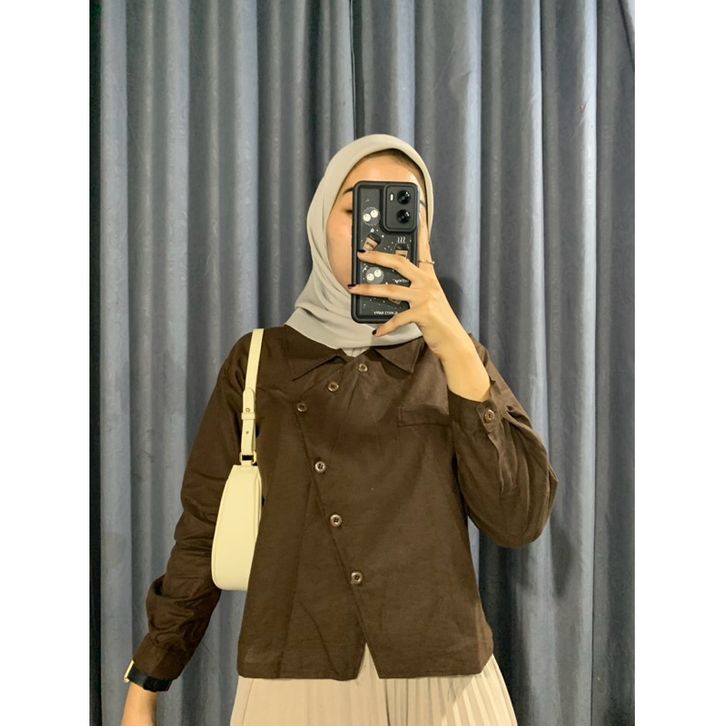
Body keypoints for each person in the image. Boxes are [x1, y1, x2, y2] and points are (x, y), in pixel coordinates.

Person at [121, 133, 559, 725]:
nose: (375, 236)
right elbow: (204, 528)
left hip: (444, 674)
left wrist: (453, 343)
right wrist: (147, 683)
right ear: (320, 220)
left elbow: (519, 519)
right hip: (298, 673)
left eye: (404, 214)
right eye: (357, 210)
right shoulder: (260, 362)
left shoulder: (454, 361)